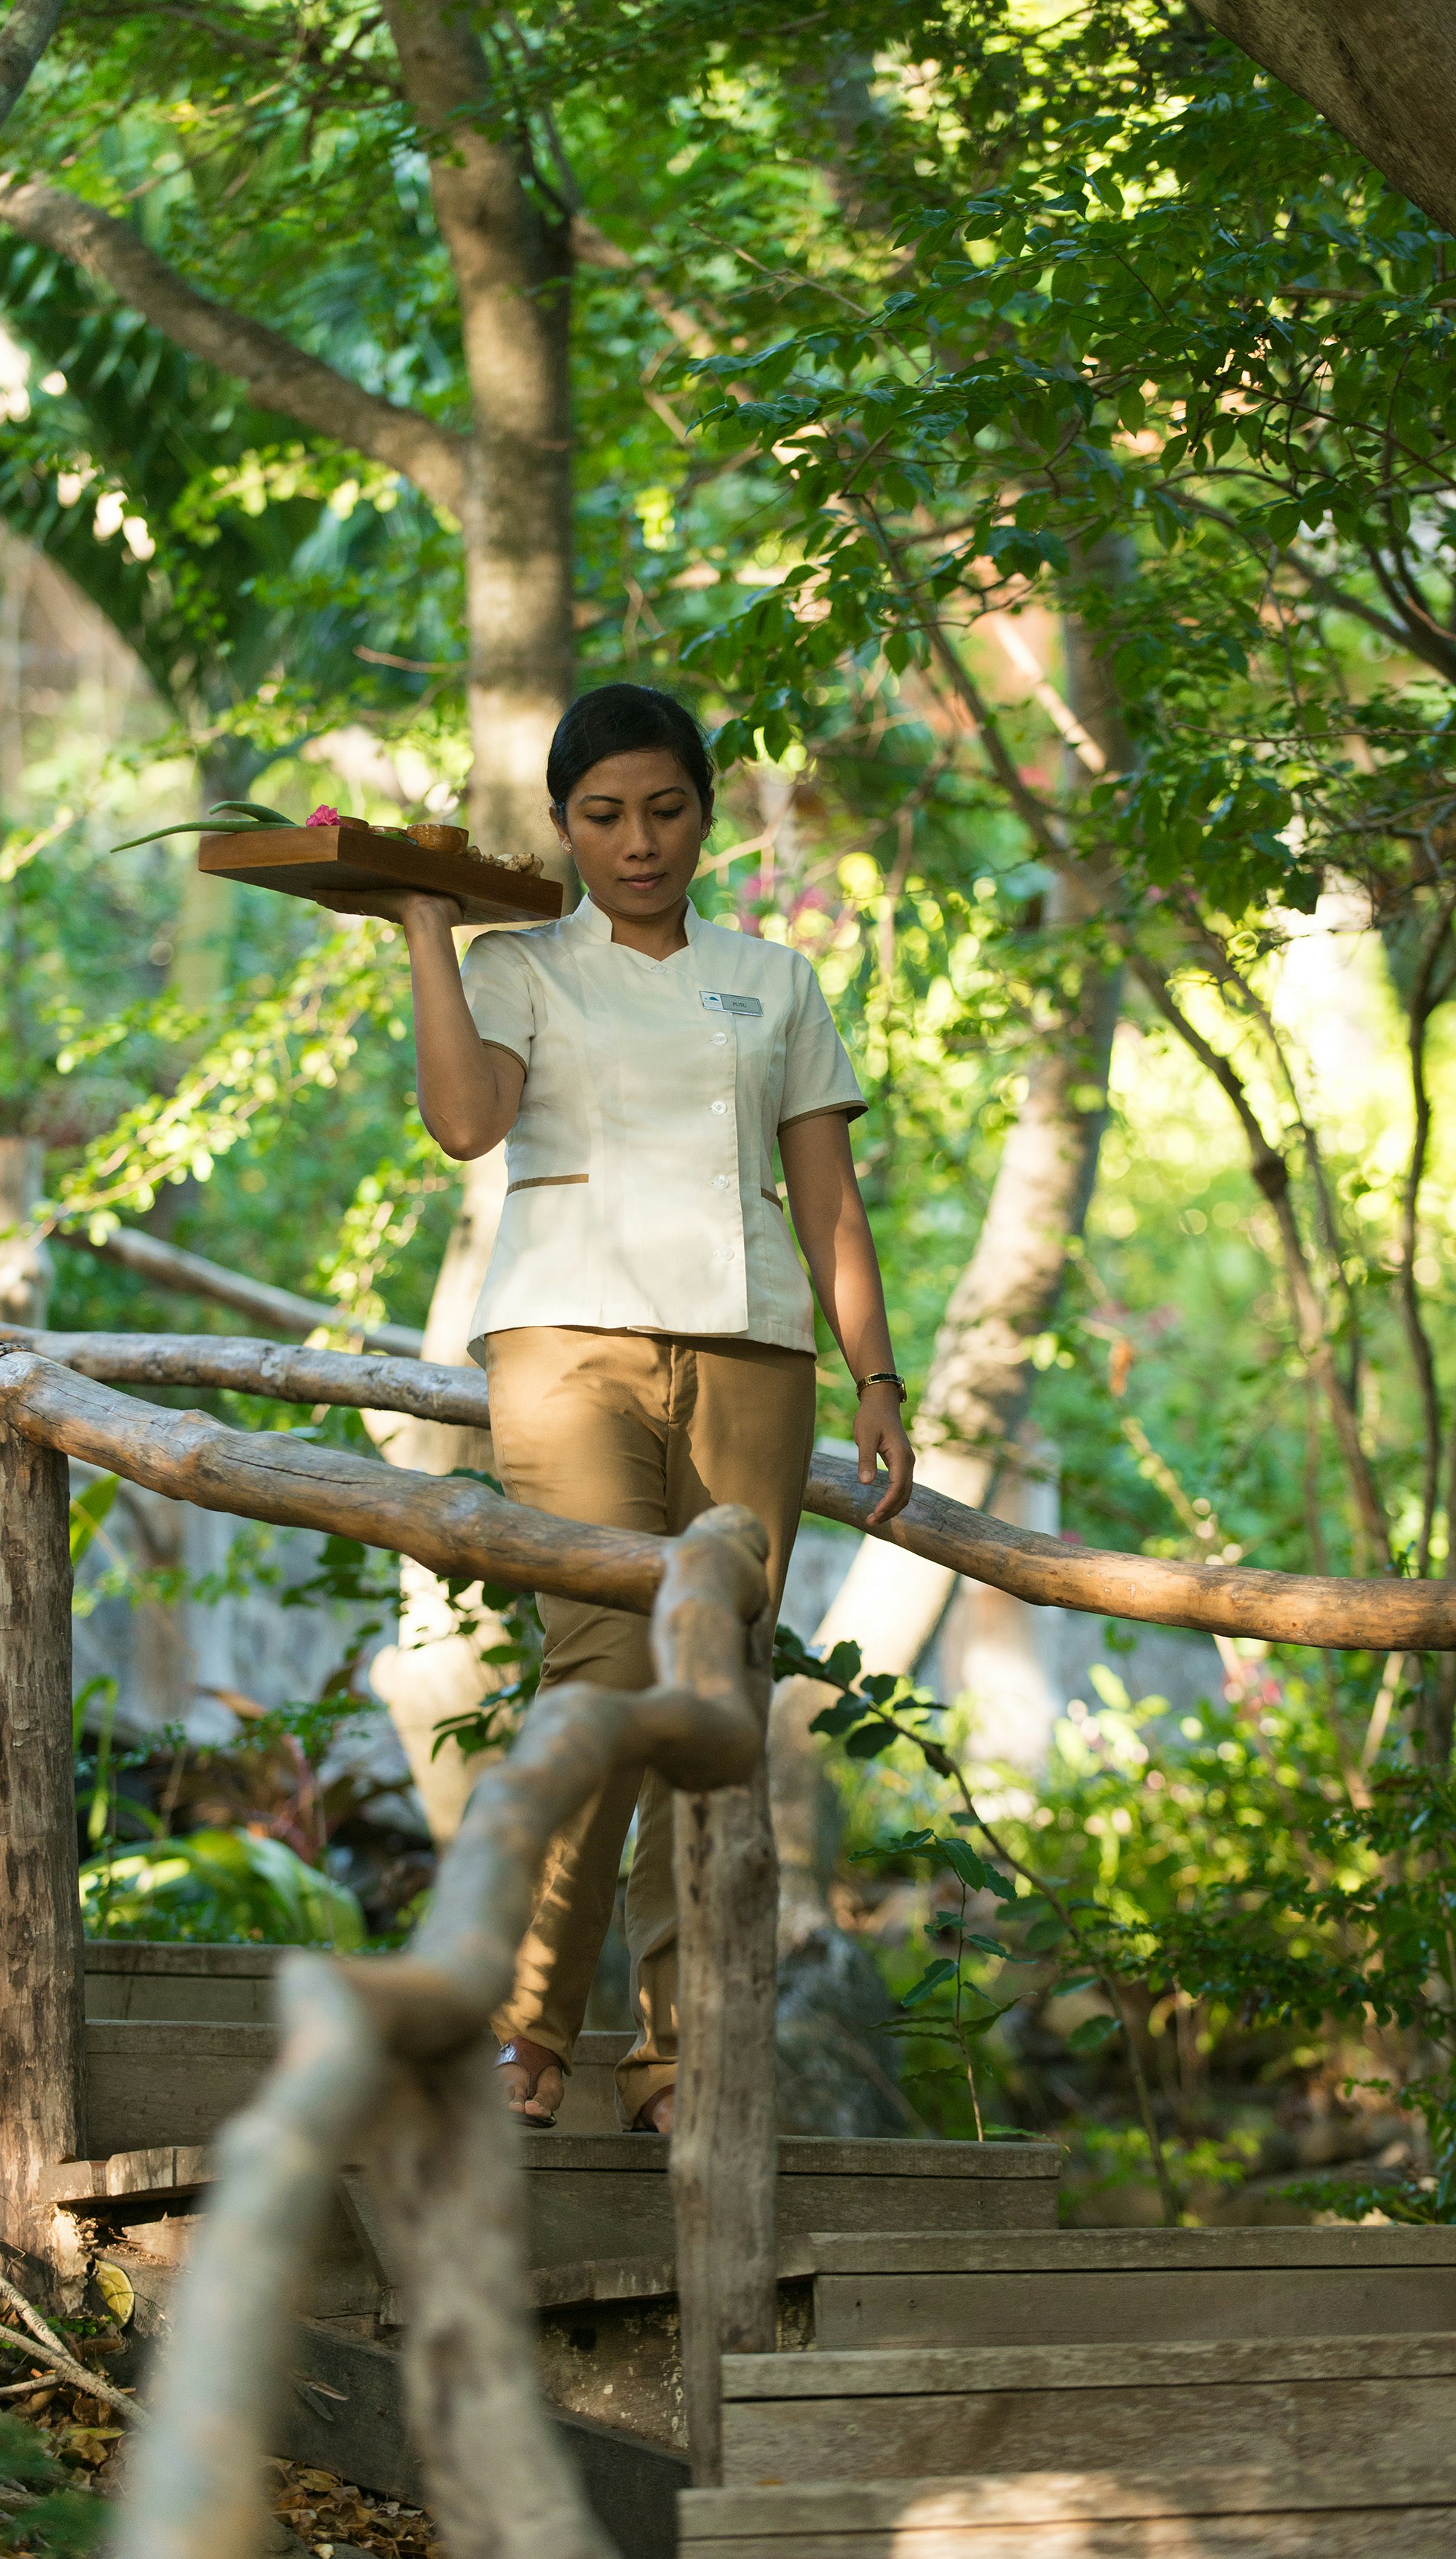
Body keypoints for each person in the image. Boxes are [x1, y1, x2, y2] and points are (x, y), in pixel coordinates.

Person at [396, 682, 913, 2131]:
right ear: (563, 826)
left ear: (702, 812)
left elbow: (825, 1193)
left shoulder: (775, 979)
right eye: (604, 815)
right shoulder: (521, 966)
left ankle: (682, 2065)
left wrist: (875, 1376)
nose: (637, 842)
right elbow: (461, 1123)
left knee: (716, 1702)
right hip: (565, 1348)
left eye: (665, 809)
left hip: (752, 1349)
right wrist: (429, 931)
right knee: (607, 1671)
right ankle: (527, 2033)